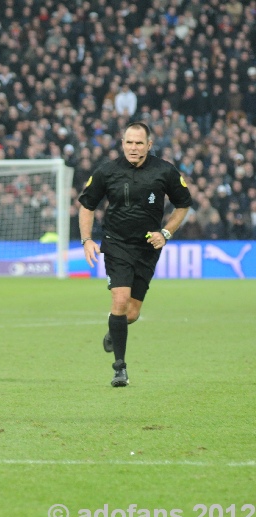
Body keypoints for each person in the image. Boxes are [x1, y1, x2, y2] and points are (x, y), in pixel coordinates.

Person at [78, 122, 192, 387]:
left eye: (139, 143)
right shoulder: (107, 171)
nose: (133, 147)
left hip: (147, 248)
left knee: (131, 313)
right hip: (115, 244)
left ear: (149, 145)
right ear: (122, 143)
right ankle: (120, 369)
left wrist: (165, 233)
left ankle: (114, 330)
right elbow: (87, 205)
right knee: (119, 302)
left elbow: (184, 204)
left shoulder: (165, 171)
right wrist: (86, 240)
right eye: (129, 142)